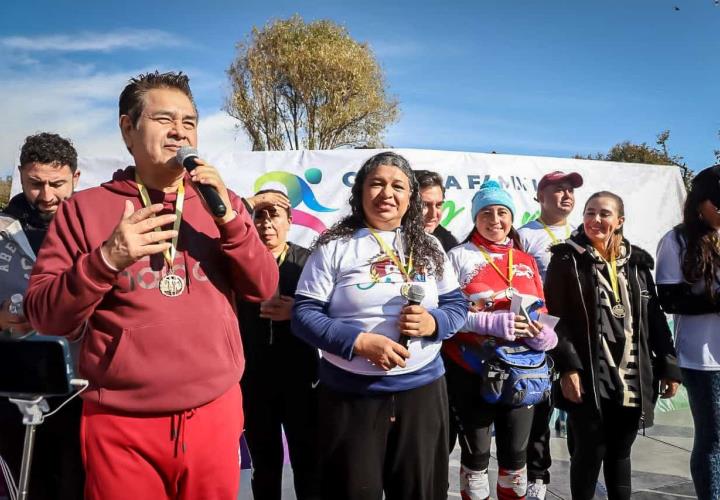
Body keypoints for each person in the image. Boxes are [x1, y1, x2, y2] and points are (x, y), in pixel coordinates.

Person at [23, 71, 279, 500]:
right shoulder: (86, 209)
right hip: (121, 421)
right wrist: (106, 260)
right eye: (164, 119)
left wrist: (231, 224)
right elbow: (45, 315)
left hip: (214, 412)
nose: (180, 131)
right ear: (128, 128)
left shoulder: (224, 201)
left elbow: (263, 287)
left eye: (190, 121)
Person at [291, 151, 467, 500]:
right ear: (359, 193)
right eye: (377, 184)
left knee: (421, 491)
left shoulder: (429, 245)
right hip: (351, 397)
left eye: (398, 186)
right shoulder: (334, 247)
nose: (387, 193)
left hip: (422, 394)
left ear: (410, 199)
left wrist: (434, 322)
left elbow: (456, 306)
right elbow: (303, 315)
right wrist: (358, 342)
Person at [545, 190, 680, 500]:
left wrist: (669, 366)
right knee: (589, 451)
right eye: (590, 212)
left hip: (632, 375)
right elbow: (556, 319)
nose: (596, 219)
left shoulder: (638, 263)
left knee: (620, 454)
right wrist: (568, 367)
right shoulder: (566, 259)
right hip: (590, 375)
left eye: (604, 213)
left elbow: (656, 319)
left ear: (619, 220)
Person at [443, 179, 557, 500]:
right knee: (476, 467)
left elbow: (542, 307)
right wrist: (490, 322)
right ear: (475, 218)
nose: (495, 220)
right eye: (486, 213)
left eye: (502, 212)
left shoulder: (525, 260)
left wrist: (546, 333)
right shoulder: (458, 256)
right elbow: (445, 316)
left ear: (511, 217)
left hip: (521, 373)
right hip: (472, 372)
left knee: (515, 467)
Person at [0, 132, 83, 500]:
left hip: (78, 388)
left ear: (76, 179)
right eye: (35, 184)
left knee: (74, 483)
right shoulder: (2, 230)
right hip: (13, 388)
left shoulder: (94, 229)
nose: (46, 195)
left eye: (57, 183)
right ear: (20, 176)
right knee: (25, 487)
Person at [237, 189, 320, 500]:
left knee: (307, 460)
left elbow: (332, 310)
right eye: (260, 215)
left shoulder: (309, 261)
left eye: (275, 216)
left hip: (302, 377)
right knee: (265, 463)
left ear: (289, 221)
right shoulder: (239, 262)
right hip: (255, 379)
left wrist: (295, 311)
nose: (267, 223)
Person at [517, 170, 582, 500]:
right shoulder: (525, 235)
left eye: (570, 190)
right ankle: (537, 481)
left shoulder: (584, 232)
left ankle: (581, 477)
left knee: (580, 411)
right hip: (542, 335)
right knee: (540, 412)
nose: (566, 195)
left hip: (579, 338)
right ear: (540, 196)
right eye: (558, 190)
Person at [656, 165, 720, 500]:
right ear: (699, 203)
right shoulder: (677, 239)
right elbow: (668, 299)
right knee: (714, 440)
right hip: (705, 357)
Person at [415, 169, 459, 252]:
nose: (433, 214)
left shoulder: (450, 246)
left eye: (438, 205)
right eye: (424, 205)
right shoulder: (389, 240)